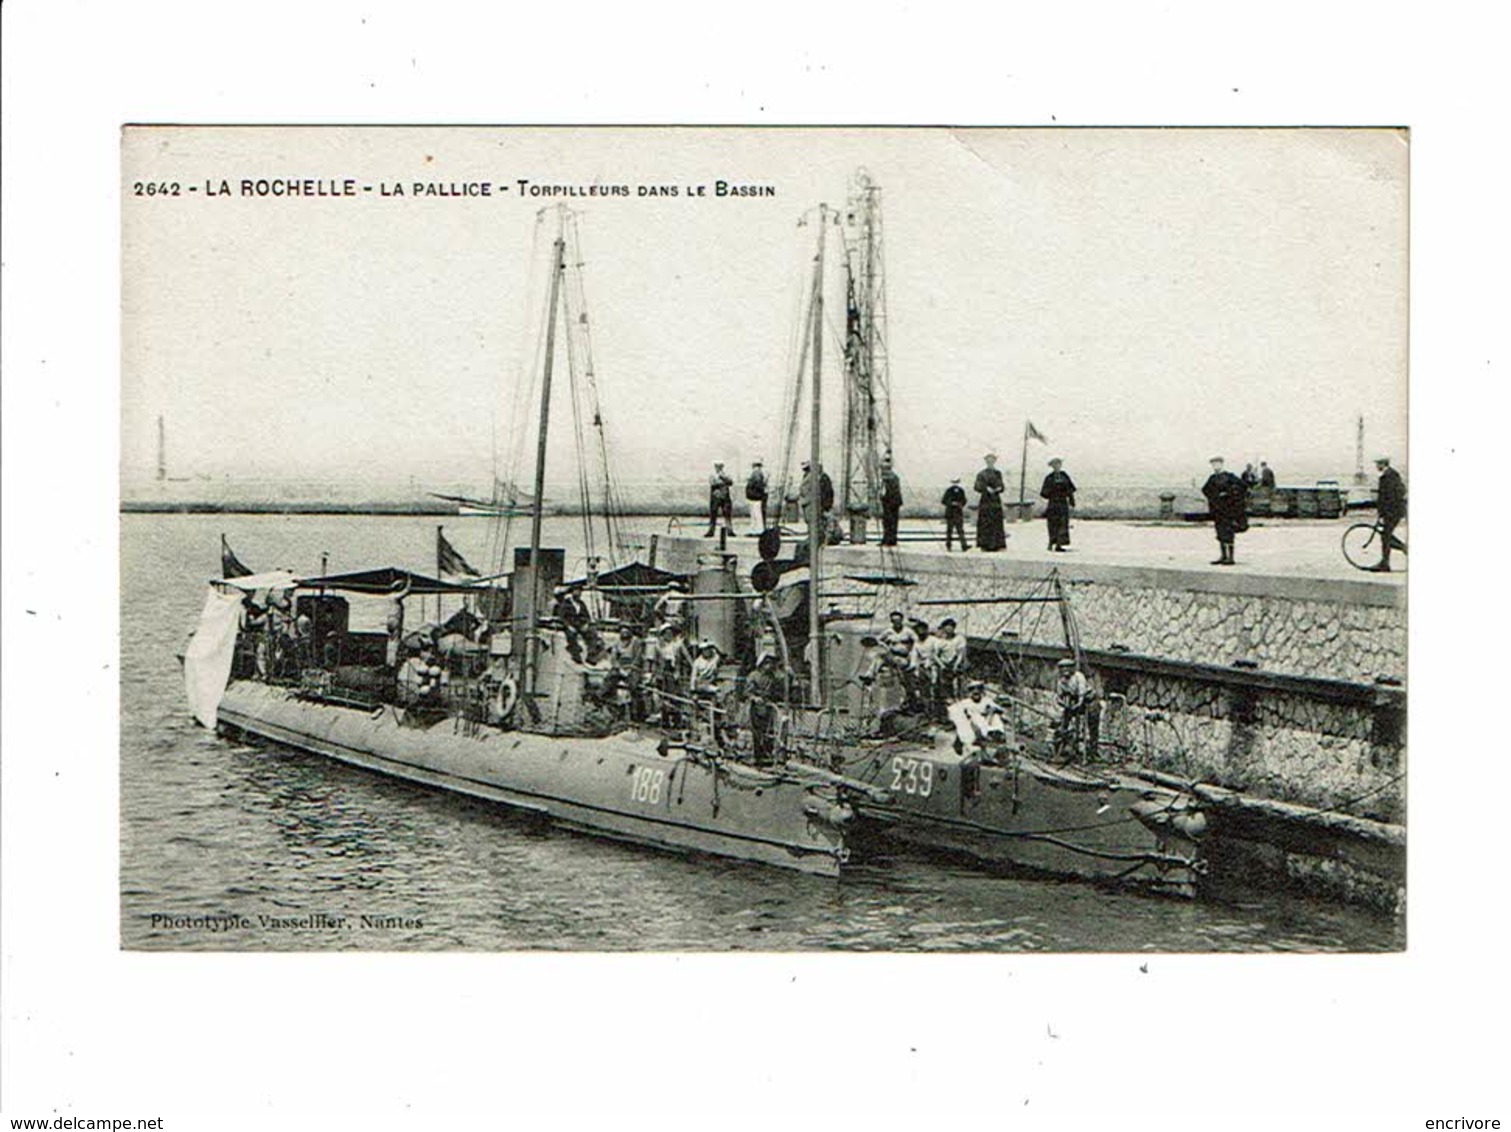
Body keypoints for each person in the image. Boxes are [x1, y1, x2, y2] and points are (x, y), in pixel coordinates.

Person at [1201, 456, 1248, 566]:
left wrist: (1229, 495)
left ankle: (1230, 557)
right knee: (1220, 532)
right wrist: (1214, 498)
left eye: (1217, 464)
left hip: (1229, 510)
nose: (1215, 466)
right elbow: (1205, 490)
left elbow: (1242, 487)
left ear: (1222, 464)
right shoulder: (1212, 478)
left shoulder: (1230, 477)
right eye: (1213, 464)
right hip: (1218, 510)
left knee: (1229, 532)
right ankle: (1223, 556)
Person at [1055, 658, 1100, 760]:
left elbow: (1081, 696)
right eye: (1062, 668)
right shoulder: (1061, 681)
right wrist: (1064, 705)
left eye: (1068, 667)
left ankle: (1093, 751)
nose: (1065, 670)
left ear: (1072, 668)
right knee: (1064, 721)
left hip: (1089, 700)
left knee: (1092, 723)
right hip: (1074, 701)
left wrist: (1076, 705)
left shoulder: (1079, 677)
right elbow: (1058, 697)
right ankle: (1063, 746)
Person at [1371, 456, 1408, 572]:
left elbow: (1389, 496)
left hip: (1392, 511)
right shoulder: (1391, 474)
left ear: (1383, 464)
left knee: (1386, 535)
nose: (1376, 466)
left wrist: (1385, 512)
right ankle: (1385, 561)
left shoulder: (1389, 476)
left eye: (1378, 463)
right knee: (1386, 535)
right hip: (1393, 511)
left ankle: (1386, 562)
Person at [745, 653, 782, 767]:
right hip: (757, 707)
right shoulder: (753, 676)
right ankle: (758, 757)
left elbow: (777, 688)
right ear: (761, 664)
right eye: (767, 663)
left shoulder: (772, 677)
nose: (769, 665)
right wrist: (755, 698)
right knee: (757, 732)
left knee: (769, 731)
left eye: (771, 663)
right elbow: (747, 692)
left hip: (768, 706)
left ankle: (768, 755)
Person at [949, 680, 1006, 752]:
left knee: (995, 716)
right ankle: (979, 737)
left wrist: (991, 710)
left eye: (978, 689)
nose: (976, 692)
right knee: (973, 717)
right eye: (973, 690)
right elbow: (954, 711)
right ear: (970, 692)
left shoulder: (986, 701)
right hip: (974, 727)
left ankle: (997, 733)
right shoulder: (966, 703)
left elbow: (999, 709)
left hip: (987, 724)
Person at [929, 618, 968, 714]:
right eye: (946, 627)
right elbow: (935, 655)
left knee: (958, 687)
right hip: (944, 666)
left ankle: (961, 705)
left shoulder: (959, 639)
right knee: (944, 687)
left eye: (951, 627)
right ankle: (946, 709)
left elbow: (961, 653)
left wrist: (956, 664)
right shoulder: (940, 641)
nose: (949, 629)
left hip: (957, 665)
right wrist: (942, 665)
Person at [1039, 457, 1077, 552]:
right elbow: (1043, 493)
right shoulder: (1049, 478)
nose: (1057, 467)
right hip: (1053, 504)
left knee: (1063, 523)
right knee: (1053, 524)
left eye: (1059, 464)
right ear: (1052, 466)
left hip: (1063, 504)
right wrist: (1051, 492)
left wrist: (1072, 501)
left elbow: (1070, 489)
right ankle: (1052, 542)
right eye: (1055, 465)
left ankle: (1060, 544)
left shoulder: (1064, 476)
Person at [973, 454, 1007, 552]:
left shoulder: (998, 473)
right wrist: (985, 488)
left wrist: (999, 488)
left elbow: (1002, 485)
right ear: (986, 462)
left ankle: (998, 544)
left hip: (995, 500)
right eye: (988, 461)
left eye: (992, 461)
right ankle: (985, 544)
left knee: (996, 522)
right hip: (985, 501)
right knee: (985, 522)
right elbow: (976, 486)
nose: (990, 462)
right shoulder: (981, 474)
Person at [385, 576, 411, 668]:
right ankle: (392, 662)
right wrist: (409, 581)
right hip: (395, 619)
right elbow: (406, 591)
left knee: (390, 640)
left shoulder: (390, 596)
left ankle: (389, 661)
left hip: (390, 619)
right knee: (395, 640)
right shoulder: (395, 596)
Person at [879, 455, 903, 547]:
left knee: (889, 521)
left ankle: (890, 539)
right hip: (892, 502)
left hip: (891, 503)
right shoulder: (893, 477)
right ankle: (888, 539)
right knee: (888, 522)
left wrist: (883, 497)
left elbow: (888, 492)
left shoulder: (890, 478)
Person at [705, 462, 734, 537]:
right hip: (715, 497)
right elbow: (712, 483)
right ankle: (711, 530)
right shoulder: (712, 475)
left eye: (720, 466)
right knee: (713, 514)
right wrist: (723, 482)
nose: (719, 468)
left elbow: (730, 482)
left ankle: (729, 530)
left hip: (725, 497)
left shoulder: (725, 474)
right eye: (717, 466)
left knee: (727, 514)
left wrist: (723, 478)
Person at [941, 477, 969, 551]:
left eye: (956, 482)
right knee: (949, 530)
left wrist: (960, 504)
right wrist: (951, 503)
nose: (955, 484)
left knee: (960, 530)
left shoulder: (961, 491)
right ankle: (948, 545)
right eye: (954, 482)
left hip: (958, 512)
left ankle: (964, 545)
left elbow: (964, 500)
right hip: (950, 513)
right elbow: (943, 501)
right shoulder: (948, 491)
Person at [745, 460, 769, 535]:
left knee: (756, 514)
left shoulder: (756, 474)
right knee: (755, 514)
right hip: (754, 497)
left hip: (755, 497)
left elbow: (758, 485)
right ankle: (755, 529)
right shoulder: (757, 474)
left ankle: (758, 529)